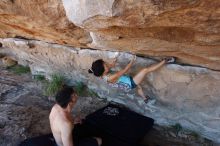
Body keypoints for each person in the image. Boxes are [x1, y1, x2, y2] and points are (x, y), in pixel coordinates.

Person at [88, 55, 175, 103]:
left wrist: (113, 62)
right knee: (145, 70)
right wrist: (132, 60)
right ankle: (166, 61)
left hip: (126, 82)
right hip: (130, 83)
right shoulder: (110, 77)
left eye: (105, 63)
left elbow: (110, 66)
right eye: (105, 65)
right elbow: (125, 70)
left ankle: (145, 98)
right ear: (103, 71)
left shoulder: (101, 74)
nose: (107, 64)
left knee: (139, 87)